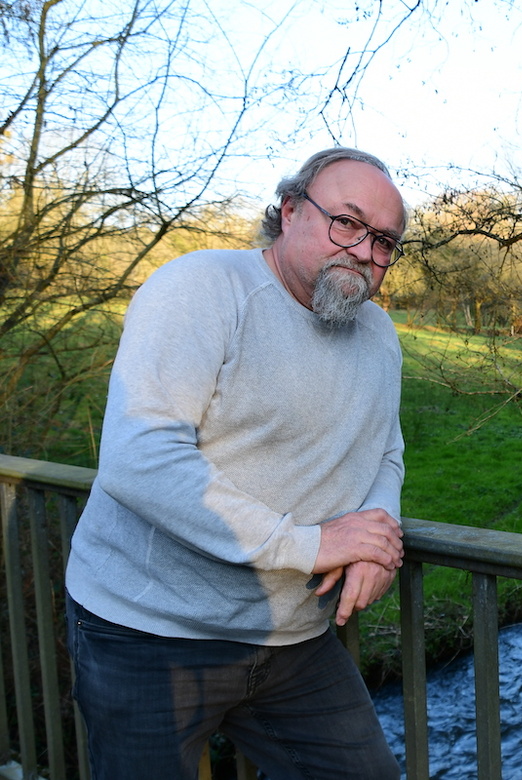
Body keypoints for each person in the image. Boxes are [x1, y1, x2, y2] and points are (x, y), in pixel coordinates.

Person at [65, 147, 409, 779]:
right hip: (148, 636)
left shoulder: (380, 336)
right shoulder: (200, 289)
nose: (364, 251)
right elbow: (140, 458)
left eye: (385, 241)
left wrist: (376, 535)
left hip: (293, 641)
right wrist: (306, 545)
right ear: (289, 210)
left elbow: (385, 448)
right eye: (348, 223)